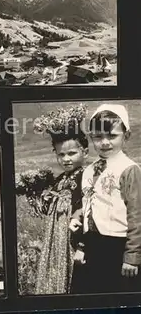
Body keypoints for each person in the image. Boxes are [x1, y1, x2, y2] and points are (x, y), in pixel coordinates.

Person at [70, 104, 141, 294]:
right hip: (93, 245)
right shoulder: (89, 170)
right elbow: (88, 208)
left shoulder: (129, 169)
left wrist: (132, 257)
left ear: (126, 136)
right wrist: (81, 244)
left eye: (112, 136)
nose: (105, 142)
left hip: (118, 246)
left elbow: (137, 215)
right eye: (98, 137)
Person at [31, 104, 89, 295]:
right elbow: (48, 208)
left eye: (72, 153)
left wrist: (82, 246)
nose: (66, 159)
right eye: (61, 154)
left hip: (72, 241)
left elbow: (87, 211)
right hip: (56, 241)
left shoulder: (86, 178)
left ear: (85, 152)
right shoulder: (59, 180)